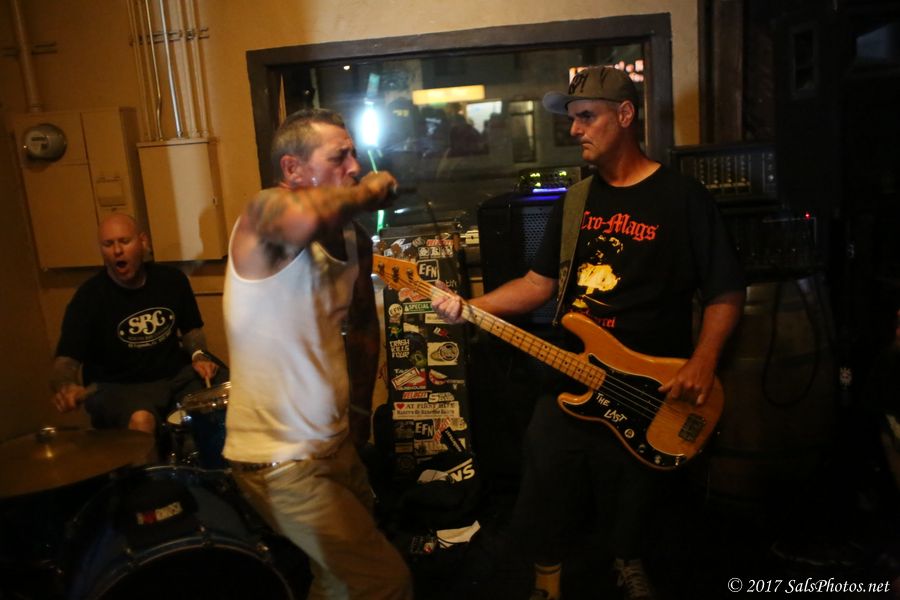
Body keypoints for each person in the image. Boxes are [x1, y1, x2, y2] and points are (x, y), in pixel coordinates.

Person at [431, 66, 746, 600]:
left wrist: (703, 360)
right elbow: (538, 284)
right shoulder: (576, 201)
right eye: (572, 119)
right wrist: (469, 307)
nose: (575, 129)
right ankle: (546, 579)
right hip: (574, 371)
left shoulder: (682, 198)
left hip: (651, 383)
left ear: (624, 115)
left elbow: (726, 291)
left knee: (635, 487)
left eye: (586, 117)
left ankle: (628, 561)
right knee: (546, 474)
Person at [222, 108, 412, 599]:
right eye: (339, 157)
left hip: (334, 443)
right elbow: (305, 217)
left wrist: (360, 412)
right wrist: (370, 191)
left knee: (337, 583)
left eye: (354, 155)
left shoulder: (353, 237)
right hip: (282, 460)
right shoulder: (264, 213)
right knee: (385, 584)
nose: (355, 166)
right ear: (293, 168)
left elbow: (363, 325)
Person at [51, 213, 221, 435]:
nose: (117, 251)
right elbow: (65, 361)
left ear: (143, 242)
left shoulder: (172, 280)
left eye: (124, 241)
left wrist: (199, 356)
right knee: (142, 420)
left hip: (174, 377)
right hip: (117, 387)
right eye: (108, 244)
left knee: (227, 395)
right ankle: (146, 459)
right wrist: (65, 386)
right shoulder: (88, 297)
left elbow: (192, 331)